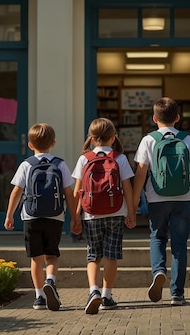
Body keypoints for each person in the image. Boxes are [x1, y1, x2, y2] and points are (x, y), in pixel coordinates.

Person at [132, 97, 190, 306]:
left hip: (156, 198)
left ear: (154, 118)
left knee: (157, 237)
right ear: (178, 118)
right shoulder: (187, 139)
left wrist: (135, 203)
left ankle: (159, 271)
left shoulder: (149, 140)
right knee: (180, 245)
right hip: (183, 199)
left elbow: (140, 174)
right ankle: (177, 294)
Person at [4, 123, 80, 311]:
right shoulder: (60, 164)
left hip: (31, 216)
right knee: (52, 256)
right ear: (53, 143)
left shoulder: (26, 165)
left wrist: (9, 215)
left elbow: (16, 192)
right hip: (55, 217)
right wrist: (75, 218)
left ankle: (39, 297)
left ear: (30, 145)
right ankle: (51, 282)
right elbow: (69, 194)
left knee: (36, 258)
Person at [72, 118, 136, 314]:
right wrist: (131, 212)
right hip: (116, 213)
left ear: (91, 139)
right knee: (111, 256)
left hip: (91, 214)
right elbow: (127, 188)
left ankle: (93, 291)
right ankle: (107, 296)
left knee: (93, 255)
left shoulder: (85, 158)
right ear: (114, 137)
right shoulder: (120, 158)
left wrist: (76, 217)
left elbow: (77, 192)